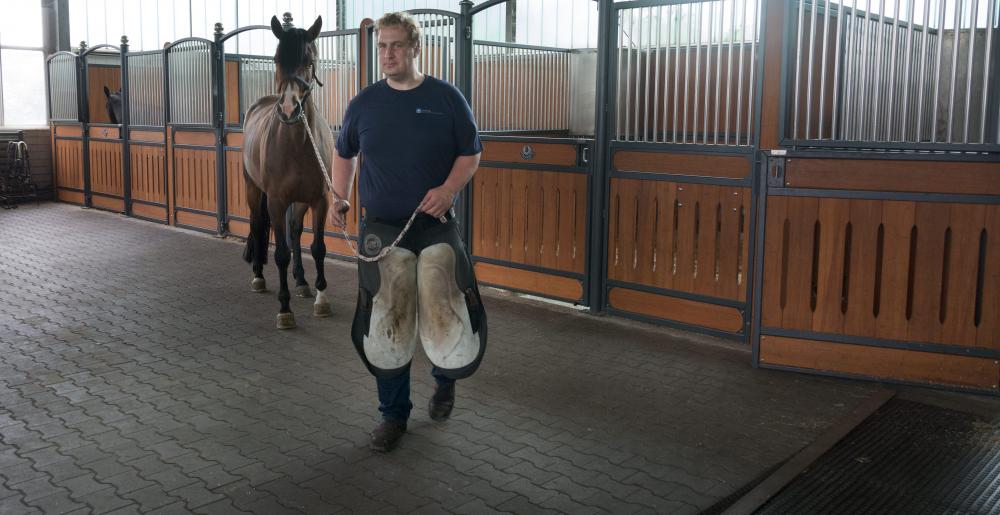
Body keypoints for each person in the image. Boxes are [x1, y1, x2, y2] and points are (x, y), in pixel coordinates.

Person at [330, 11, 487, 453]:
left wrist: (448, 188)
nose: (388, 54)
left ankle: (445, 380)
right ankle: (393, 416)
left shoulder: (447, 98)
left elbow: (470, 153)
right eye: (381, 46)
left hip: (434, 227)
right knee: (387, 322)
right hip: (382, 230)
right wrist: (339, 196)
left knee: (444, 307)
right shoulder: (364, 103)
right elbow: (345, 154)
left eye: (396, 45)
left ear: (416, 48)